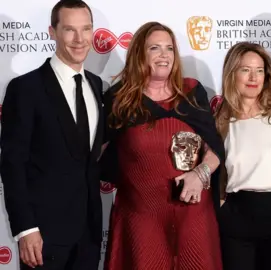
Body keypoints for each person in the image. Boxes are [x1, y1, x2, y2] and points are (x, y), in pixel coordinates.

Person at [100, 21, 225, 270]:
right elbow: (96, 154)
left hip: (194, 215)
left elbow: (215, 150)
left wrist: (199, 175)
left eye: (169, 48)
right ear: (139, 54)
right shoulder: (119, 99)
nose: (164, 55)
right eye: (155, 48)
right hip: (141, 218)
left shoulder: (192, 92)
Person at [0, 1, 104, 269]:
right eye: (69, 30)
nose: (80, 39)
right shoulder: (26, 88)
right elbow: (13, 164)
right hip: (43, 237)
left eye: (86, 29)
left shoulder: (96, 84)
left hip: (89, 235)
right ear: (52, 32)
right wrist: (26, 229)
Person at [213, 41, 271, 270]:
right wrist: (223, 207)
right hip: (237, 214)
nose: (254, 77)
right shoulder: (221, 118)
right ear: (232, 73)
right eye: (246, 70)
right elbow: (219, 169)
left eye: (260, 70)